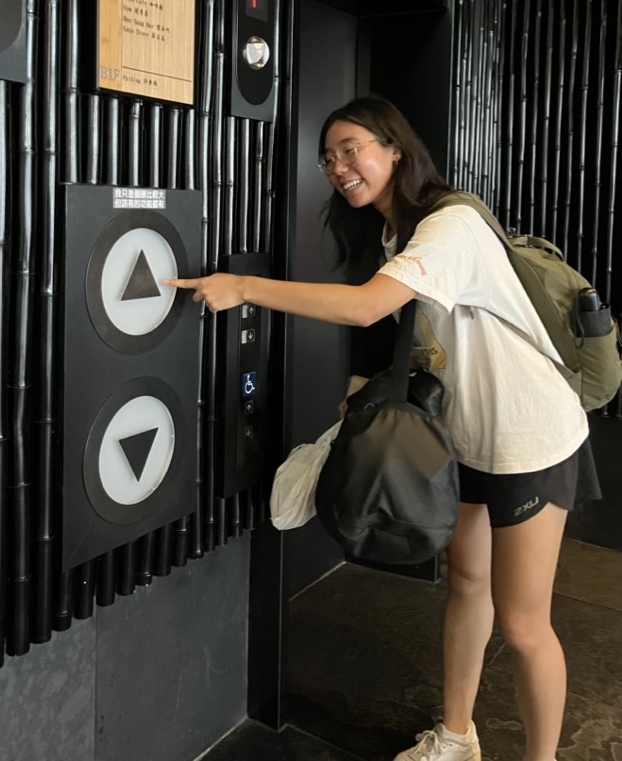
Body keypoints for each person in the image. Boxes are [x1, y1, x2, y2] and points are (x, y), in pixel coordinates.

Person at [166, 96, 600, 761]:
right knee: (466, 583)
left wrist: (245, 286)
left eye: (351, 148)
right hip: (466, 434)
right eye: (328, 157)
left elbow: (369, 308)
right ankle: (457, 735)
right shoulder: (401, 232)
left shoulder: (449, 223)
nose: (338, 167)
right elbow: (437, 340)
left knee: (521, 621)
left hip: (530, 434)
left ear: (394, 148)